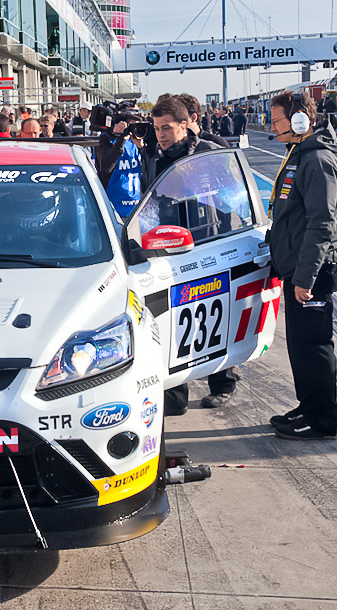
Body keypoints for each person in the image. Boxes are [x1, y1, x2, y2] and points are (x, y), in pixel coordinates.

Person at [140, 97, 236, 415]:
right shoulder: (151, 155)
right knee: (172, 322)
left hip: (207, 245)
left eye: (166, 128)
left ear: (185, 124)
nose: (161, 134)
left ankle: (222, 383)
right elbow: (147, 203)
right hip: (167, 249)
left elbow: (232, 197)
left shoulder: (209, 152)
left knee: (211, 316)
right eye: (156, 128)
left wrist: (226, 236)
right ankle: (175, 393)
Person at [267, 91, 337, 440]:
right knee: (300, 346)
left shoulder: (317, 161)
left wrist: (305, 277)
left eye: (277, 120)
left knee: (314, 347)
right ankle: (308, 406)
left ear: (299, 120)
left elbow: (321, 224)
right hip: (297, 269)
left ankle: (322, 419)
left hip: (311, 274)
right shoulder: (300, 156)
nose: (272, 126)